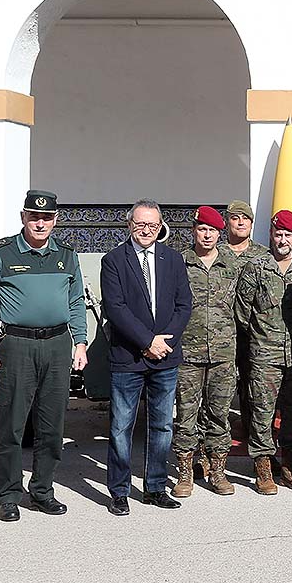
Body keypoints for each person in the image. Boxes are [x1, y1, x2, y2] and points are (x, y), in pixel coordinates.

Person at [0, 189, 88, 522]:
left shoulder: (67, 255)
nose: (40, 223)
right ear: (23, 217)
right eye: (34, 217)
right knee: (12, 425)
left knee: (53, 426)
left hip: (57, 344)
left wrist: (80, 343)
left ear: (55, 220)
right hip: (17, 346)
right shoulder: (2, 252)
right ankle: (8, 495)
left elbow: (76, 301)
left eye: (47, 217)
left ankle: (42, 491)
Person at [101, 199, 193, 516]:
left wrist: (162, 342)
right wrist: (145, 341)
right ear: (130, 224)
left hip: (165, 357)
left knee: (162, 426)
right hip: (128, 357)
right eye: (140, 224)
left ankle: (154, 488)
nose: (146, 230)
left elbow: (184, 306)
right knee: (121, 427)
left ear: (160, 226)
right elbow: (115, 308)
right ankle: (119, 491)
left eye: (152, 225)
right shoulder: (113, 260)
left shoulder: (173, 259)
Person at [234, 209, 292, 495]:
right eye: (278, 234)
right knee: (262, 412)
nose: (282, 239)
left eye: (288, 234)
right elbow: (242, 311)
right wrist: (256, 341)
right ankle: (263, 468)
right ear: (271, 235)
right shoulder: (256, 266)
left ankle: (289, 463)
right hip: (264, 354)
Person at [173, 206, 240, 497]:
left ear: (219, 233)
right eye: (202, 229)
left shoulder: (232, 265)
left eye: (212, 230)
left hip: (223, 353)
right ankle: (186, 473)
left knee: (219, 415)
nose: (207, 235)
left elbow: (243, 306)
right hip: (188, 351)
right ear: (194, 231)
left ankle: (218, 472)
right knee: (186, 414)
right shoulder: (179, 262)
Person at [225, 200, 269, 450]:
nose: (240, 222)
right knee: (221, 387)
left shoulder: (263, 256)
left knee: (254, 386)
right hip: (222, 332)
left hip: (255, 333)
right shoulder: (215, 252)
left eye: (245, 218)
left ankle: (253, 434)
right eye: (235, 218)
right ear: (227, 222)